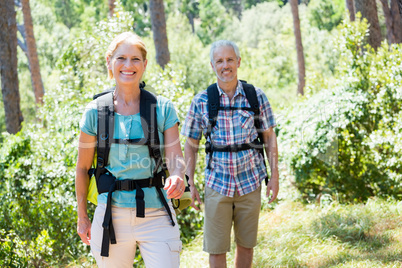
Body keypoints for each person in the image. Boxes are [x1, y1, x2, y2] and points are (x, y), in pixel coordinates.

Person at [75, 32, 186, 268]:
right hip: (110, 216)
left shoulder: (162, 108)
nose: (128, 65)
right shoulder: (95, 112)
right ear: (110, 62)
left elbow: (176, 157)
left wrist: (177, 175)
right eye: (121, 58)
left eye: (135, 59)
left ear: (144, 64)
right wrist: (82, 216)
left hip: (157, 212)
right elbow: (82, 168)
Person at [181, 40, 279, 268]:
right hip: (217, 184)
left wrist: (274, 176)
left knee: (246, 245)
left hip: (250, 182)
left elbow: (269, 138)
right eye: (220, 61)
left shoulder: (256, 96)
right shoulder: (201, 101)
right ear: (212, 65)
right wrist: (190, 184)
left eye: (229, 60)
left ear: (238, 62)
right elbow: (190, 144)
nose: (225, 65)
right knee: (216, 249)